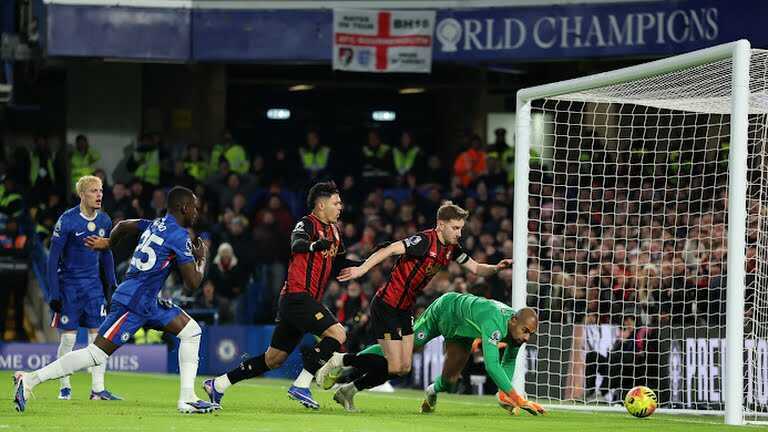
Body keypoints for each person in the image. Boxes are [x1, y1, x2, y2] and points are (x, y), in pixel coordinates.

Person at [14, 186, 217, 414]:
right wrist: (202, 259)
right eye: (195, 207)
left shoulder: (154, 224)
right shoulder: (178, 236)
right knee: (96, 354)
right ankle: (30, 379)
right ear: (184, 207)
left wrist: (109, 243)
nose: (197, 212)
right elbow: (192, 283)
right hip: (133, 303)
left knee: (191, 331)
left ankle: (188, 398)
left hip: (146, 301)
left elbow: (123, 225)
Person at [328, 202, 514, 411]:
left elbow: (477, 268)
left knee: (403, 368)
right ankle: (342, 360)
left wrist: (496, 268)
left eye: (461, 228)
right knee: (394, 365)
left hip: (405, 308)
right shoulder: (424, 241)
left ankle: (347, 391)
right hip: (387, 304)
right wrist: (361, 269)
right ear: (440, 225)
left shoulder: (452, 248)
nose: (459, 233)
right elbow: (390, 249)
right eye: (455, 228)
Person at [202, 181, 356, 410]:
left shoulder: (334, 231)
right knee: (338, 333)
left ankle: (218, 384)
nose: (340, 207)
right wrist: (314, 246)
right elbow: (297, 244)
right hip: (297, 297)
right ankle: (302, 385)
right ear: (321, 205)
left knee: (273, 359)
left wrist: (371, 260)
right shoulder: (307, 223)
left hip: (305, 302)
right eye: (336, 203)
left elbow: (340, 262)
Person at [318, 292, 545, 416]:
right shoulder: (495, 322)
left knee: (450, 380)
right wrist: (518, 398)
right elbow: (492, 366)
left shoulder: (517, 331)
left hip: (462, 332)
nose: (526, 337)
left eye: (530, 334)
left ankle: (431, 392)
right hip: (444, 311)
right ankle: (344, 362)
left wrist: (505, 394)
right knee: (405, 349)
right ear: (513, 320)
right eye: (525, 331)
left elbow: (509, 360)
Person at [46, 175, 120, 401]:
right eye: (94, 191)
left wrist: (112, 284)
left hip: (94, 289)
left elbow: (106, 254)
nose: (99, 195)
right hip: (69, 288)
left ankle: (98, 389)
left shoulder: (105, 221)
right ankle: (64, 385)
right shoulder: (67, 220)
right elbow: (52, 259)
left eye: (101, 190)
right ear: (82, 194)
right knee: (68, 340)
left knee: (98, 339)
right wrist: (54, 293)